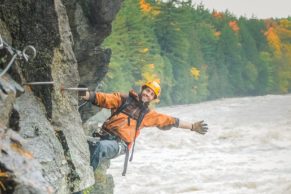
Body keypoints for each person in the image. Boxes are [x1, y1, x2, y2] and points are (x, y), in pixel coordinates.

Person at [82, 81, 208, 175]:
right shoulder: (124, 100)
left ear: (153, 99)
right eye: (147, 91)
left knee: (99, 147)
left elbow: (171, 121)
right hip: (103, 136)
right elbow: (103, 98)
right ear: (143, 89)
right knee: (84, 145)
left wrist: (192, 126)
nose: (148, 94)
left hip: (119, 144)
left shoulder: (148, 115)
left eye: (151, 94)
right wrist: (85, 95)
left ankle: (84, 180)